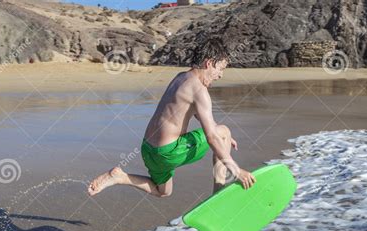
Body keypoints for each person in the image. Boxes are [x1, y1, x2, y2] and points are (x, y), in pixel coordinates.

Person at [88, 38, 256, 197]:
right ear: (209, 63)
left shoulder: (180, 78)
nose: (220, 75)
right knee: (223, 131)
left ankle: (119, 176)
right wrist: (236, 170)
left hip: (148, 150)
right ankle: (218, 194)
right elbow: (212, 137)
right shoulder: (200, 91)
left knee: (163, 192)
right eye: (221, 69)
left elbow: (195, 113)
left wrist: (221, 135)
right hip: (168, 153)